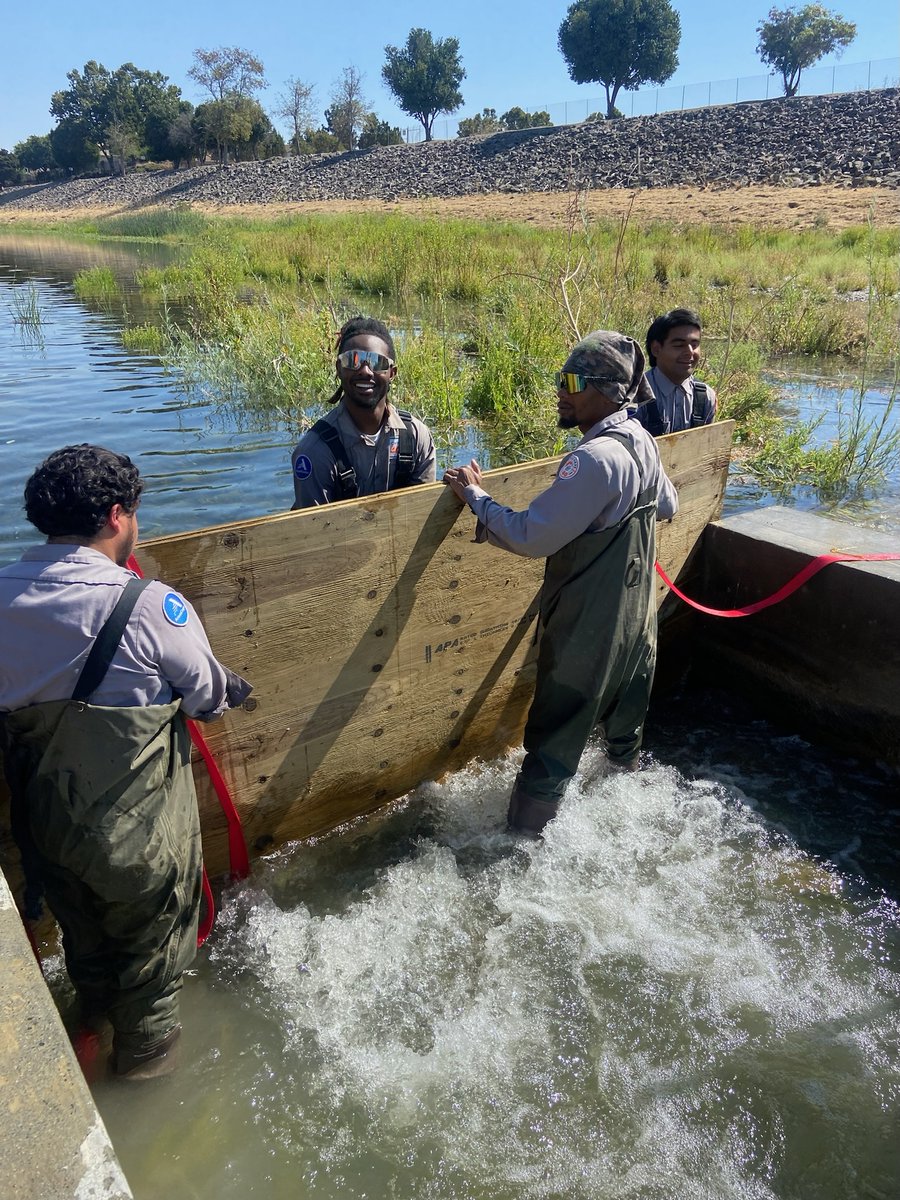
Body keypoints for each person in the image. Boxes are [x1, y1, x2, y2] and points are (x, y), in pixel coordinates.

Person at [0, 445, 251, 1079]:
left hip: (46, 835)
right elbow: (208, 698)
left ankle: (85, 1037)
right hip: (138, 843)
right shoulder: (147, 606)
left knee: (86, 951)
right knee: (151, 980)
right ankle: (144, 1091)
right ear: (118, 516)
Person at [443, 331, 678, 837]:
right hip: (639, 631)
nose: (560, 389)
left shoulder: (592, 460)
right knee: (623, 742)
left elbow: (531, 536)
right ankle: (624, 826)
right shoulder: (642, 442)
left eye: (572, 381)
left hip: (587, 643)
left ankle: (514, 857)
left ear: (610, 393)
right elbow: (669, 507)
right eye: (561, 378)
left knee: (549, 756)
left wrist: (476, 497)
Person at [291, 316, 436, 507]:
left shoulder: (416, 437)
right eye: (353, 360)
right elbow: (313, 531)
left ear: (392, 373)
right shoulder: (315, 451)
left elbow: (423, 511)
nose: (365, 371)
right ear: (339, 368)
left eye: (377, 362)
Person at [634, 307, 717, 436]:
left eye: (694, 344)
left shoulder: (705, 397)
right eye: (679, 345)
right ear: (656, 349)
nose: (690, 352)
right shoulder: (635, 395)